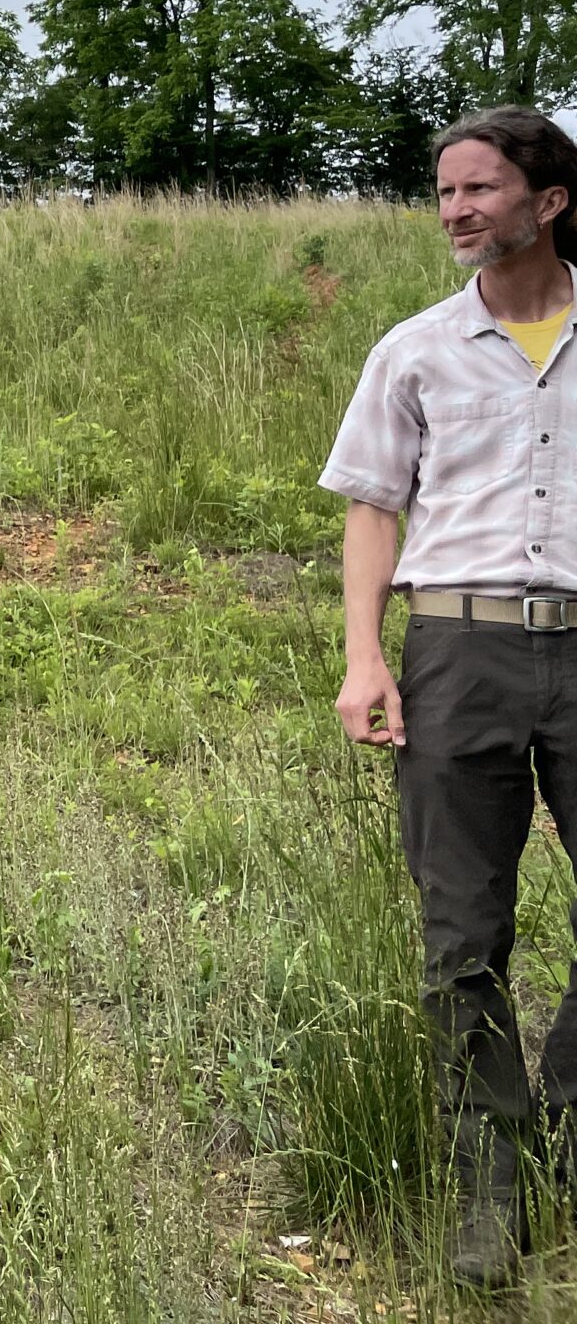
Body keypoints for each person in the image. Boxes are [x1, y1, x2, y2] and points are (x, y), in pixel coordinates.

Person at [323, 105, 577, 1289]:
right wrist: (364, 658)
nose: (456, 212)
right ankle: (489, 1187)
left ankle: (562, 1128)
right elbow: (372, 507)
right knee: (460, 940)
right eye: (443, 195)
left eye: (477, 190)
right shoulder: (412, 349)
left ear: (548, 200)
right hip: (456, 653)